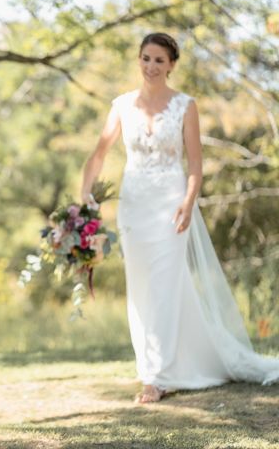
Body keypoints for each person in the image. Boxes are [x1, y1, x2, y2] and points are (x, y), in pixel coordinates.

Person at [81, 32, 279, 404]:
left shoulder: (185, 105)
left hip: (171, 206)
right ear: (138, 60)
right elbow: (98, 154)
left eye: (159, 60)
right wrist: (84, 200)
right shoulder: (122, 105)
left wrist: (188, 202)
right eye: (145, 58)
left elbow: (195, 164)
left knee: (166, 286)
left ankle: (157, 377)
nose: (150, 66)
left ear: (171, 65)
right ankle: (156, 365)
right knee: (141, 291)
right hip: (134, 207)